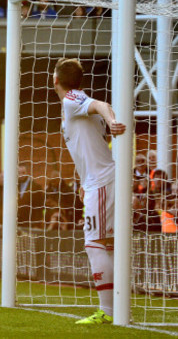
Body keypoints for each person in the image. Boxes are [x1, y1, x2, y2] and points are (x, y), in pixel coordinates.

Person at [53, 58, 126, 325]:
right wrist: (83, 181)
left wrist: (113, 120)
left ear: (55, 80)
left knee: (94, 244)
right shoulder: (74, 101)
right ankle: (117, 307)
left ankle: (108, 310)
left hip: (103, 181)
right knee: (105, 244)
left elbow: (101, 104)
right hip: (96, 181)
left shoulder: (72, 99)